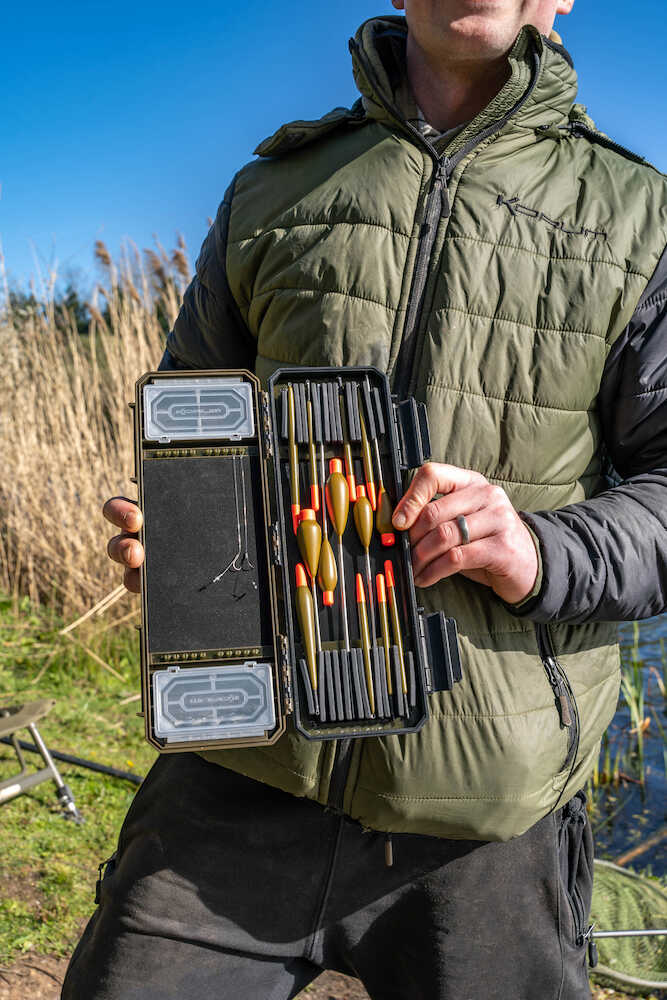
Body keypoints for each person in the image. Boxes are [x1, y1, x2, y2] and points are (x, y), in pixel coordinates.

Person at [62, 1, 667, 997]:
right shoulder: (271, 188)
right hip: (238, 775)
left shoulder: (641, 219)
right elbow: (195, 432)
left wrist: (535, 551)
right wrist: (178, 546)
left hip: (488, 820)